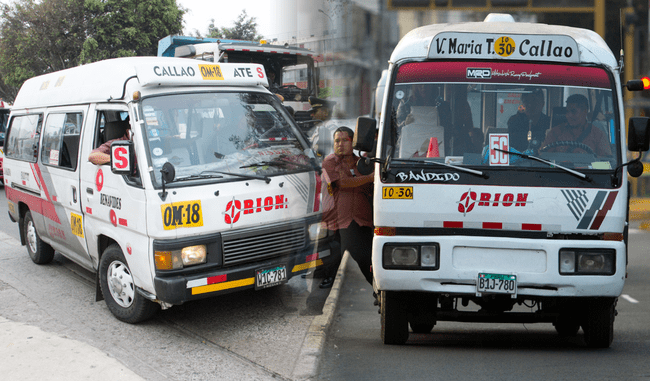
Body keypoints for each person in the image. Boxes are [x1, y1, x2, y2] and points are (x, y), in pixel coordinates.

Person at [319, 126, 374, 288]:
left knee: (367, 260)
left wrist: (367, 177)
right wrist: (369, 178)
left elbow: (369, 189)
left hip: (361, 220)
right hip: (337, 222)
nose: (340, 144)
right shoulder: (330, 162)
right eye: (337, 141)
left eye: (345, 140)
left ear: (353, 142)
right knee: (334, 262)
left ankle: (378, 291)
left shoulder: (363, 163)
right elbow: (342, 183)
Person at [541, 94, 611, 156]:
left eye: (573, 112)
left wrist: (590, 166)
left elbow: (607, 164)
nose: (569, 115)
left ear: (585, 111)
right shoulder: (555, 132)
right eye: (567, 112)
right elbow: (542, 157)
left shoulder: (597, 134)